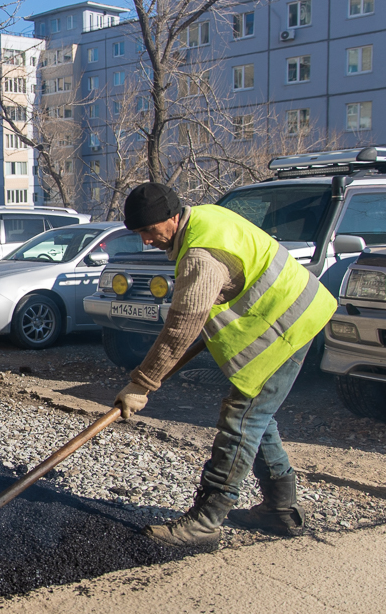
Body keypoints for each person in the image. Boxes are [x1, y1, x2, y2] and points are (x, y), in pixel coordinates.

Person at [113, 182, 336, 547]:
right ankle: (280, 509)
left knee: (241, 420)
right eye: (140, 234)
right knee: (257, 420)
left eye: (149, 232)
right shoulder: (205, 217)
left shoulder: (201, 254)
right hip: (295, 315)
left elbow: (182, 325)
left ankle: (206, 520)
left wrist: (141, 384)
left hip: (289, 327)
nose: (147, 241)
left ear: (171, 218)